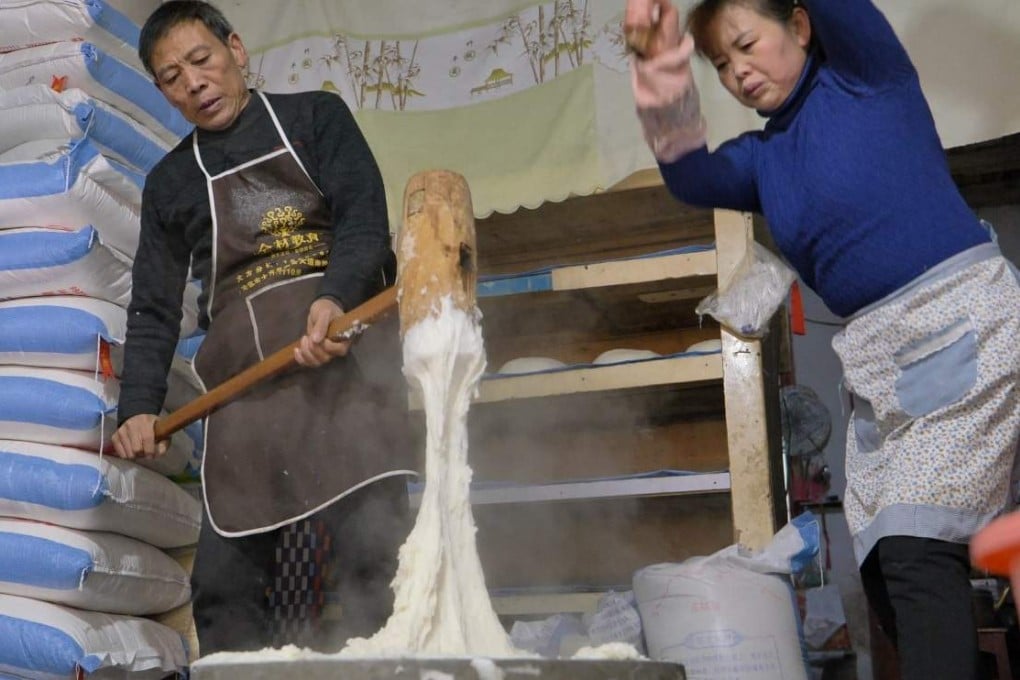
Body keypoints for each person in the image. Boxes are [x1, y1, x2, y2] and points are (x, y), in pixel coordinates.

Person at [624, 0, 1020, 678]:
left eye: (748, 44)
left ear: (802, 27)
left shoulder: (867, 77)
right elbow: (690, 176)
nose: (738, 71)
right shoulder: (761, 159)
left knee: (915, 553)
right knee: (880, 567)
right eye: (720, 63)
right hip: (877, 370)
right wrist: (658, 64)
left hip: (961, 328)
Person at [111, 0, 415, 654]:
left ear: (236, 51)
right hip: (246, 404)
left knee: (377, 564)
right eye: (171, 77)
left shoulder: (314, 118)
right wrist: (136, 406)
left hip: (346, 372)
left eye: (202, 60)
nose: (193, 82)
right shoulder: (170, 184)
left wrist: (335, 300)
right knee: (224, 591)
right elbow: (155, 305)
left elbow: (363, 220)